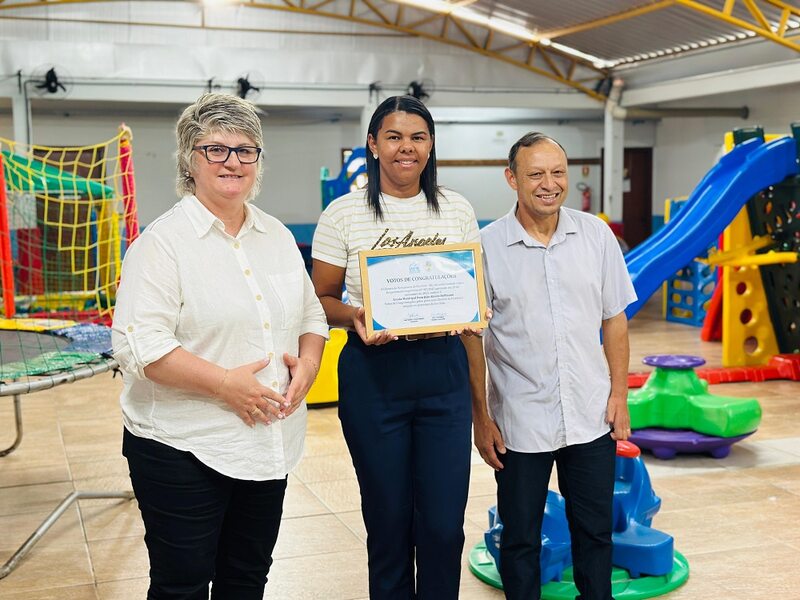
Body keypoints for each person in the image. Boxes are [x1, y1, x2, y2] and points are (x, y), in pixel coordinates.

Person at [111, 92, 328, 600]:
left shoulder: (275, 235)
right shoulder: (161, 245)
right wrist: (225, 385)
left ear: (257, 161)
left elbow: (311, 313)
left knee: (246, 580)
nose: (233, 161)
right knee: (182, 586)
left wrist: (311, 362)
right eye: (216, 149)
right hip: (184, 446)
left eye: (245, 149)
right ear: (190, 160)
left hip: (267, 445)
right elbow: (139, 346)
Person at [311, 95, 483, 599]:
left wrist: (481, 404)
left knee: (443, 524)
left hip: (443, 373)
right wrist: (355, 315)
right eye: (393, 136)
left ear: (430, 145)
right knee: (386, 522)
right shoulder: (342, 214)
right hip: (373, 374)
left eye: (418, 137)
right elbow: (320, 299)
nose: (405, 148)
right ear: (373, 143)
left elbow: (472, 314)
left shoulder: (456, 209)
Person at [473, 132, 637, 600]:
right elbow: (472, 340)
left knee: (595, 534)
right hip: (519, 421)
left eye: (558, 172)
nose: (549, 184)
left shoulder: (596, 235)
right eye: (536, 174)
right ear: (512, 179)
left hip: (590, 415)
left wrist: (619, 396)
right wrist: (481, 418)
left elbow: (615, 321)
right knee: (520, 539)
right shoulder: (486, 247)